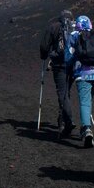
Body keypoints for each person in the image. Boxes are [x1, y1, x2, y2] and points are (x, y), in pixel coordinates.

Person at [68, 15, 94, 148]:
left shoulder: (74, 36)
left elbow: (68, 56)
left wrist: (69, 70)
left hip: (82, 75)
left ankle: (87, 129)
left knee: (85, 102)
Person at [38, 9, 76, 137]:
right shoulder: (76, 27)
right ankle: (63, 120)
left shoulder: (53, 27)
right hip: (74, 65)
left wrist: (44, 56)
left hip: (59, 65)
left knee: (62, 93)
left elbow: (44, 47)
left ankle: (67, 121)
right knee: (66, 92)